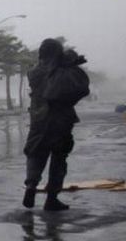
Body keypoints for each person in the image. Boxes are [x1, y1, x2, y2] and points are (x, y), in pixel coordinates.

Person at [22, 38, 90, 211]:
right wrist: (69, 60)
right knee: (59, 158)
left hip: (38, 118)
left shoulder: (34, 72)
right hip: (60, 119)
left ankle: (31, 185)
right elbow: (76, 84)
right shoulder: (62, 70)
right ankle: (52, 198)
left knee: (35, 154)